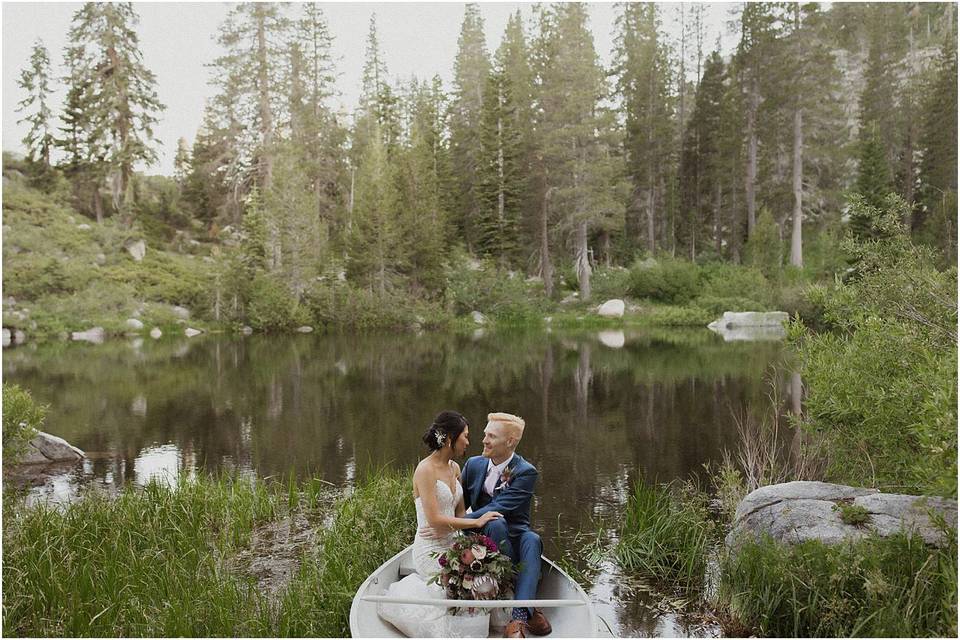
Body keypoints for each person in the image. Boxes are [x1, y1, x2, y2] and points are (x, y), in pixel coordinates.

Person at [377, 410, 503, 637]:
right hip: (430, 548)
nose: (468, 441)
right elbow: (434, 520)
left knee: (480, 582)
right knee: (456, 589)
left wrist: (467, 530)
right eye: (464, 435)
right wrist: (476, 523)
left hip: (454, 545)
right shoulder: (425, 470)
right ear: (448, 439)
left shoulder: (455, 468)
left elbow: (461, 512)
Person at [426, 412, 552, 639]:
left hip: (514, 535)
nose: (483, 440)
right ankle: (530, 606)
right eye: (485, 434)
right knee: (495, 524)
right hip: (480, 535)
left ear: (510, 442)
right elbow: (456, 500)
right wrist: (437, 518)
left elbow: (500, 506)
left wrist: (458, 524)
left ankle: (519, 618)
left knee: (530, 539)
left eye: (491, 436)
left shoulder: (525, 472)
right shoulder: (474, 464)